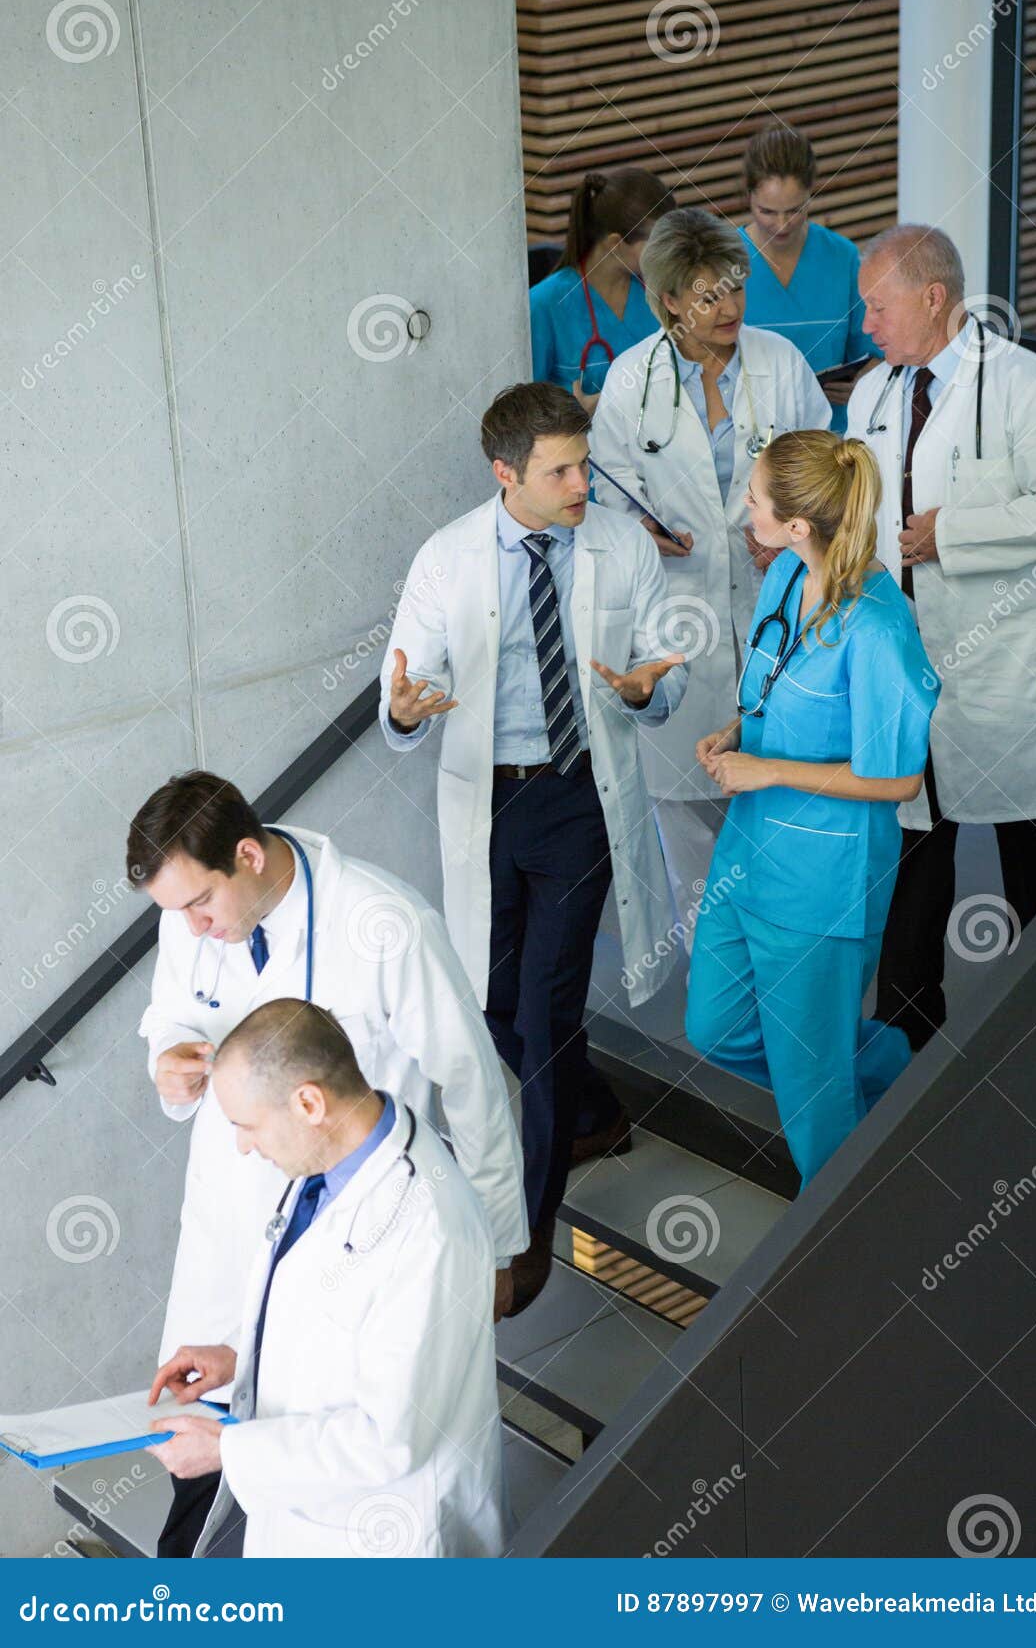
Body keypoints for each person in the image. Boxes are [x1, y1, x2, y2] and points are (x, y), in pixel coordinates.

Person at [129, 772, 527, 1555]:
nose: (193, 928)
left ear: (248, 856)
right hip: (233, 1232)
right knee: (208, 1471)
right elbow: (168, 1014)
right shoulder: (190, 917)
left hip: (355, 1225)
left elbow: (472, 1081)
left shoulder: (384, 925)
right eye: (177, 913)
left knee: (300, 1457)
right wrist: (166, 1059)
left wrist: (499, 1249)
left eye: (201, 904)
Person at [379, 382, 688, 1313]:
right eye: (560, 471)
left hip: (580, 799)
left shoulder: (621, 545)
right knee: (492, 999)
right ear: (505, 473)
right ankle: (592, 1113)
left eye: (583, 464)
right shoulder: (447, 558)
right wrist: (404, 711)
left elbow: (659, 669)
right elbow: (406, 684)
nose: (581, 483)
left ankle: (529, 1227)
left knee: (547, 1015)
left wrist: (646, 691)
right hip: (488, 802)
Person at [148, 999, 504, 1559]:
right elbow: (330, 1312)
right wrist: (242, 1355)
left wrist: (226, 1451)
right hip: (312, 1517)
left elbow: (389, 1439)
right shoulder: (332, 1164)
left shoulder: (428, 1229)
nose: (243, 1146)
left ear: (308, 1102)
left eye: (247, 1126)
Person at [685, 431, 939, 1187]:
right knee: (714, 1027)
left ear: (797, 523)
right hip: (749, 853)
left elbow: (899, 780)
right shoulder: (786, 576)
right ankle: (887, 1067)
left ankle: (843, 1232)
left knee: (813, 1099)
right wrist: (737, 732)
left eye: (754, 498)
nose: (745, 509)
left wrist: (766, 768)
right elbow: (772, 690)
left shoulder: (877, 627)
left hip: (822, 880)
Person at [848, 224, 1036, 1052]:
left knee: (1033, 874)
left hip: (1008, 675)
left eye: (877, 306)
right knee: (911, 864)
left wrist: (954, 533)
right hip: (907, 672)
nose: (865, 323)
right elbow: (858, 512)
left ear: (932, 297)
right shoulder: (871, 394)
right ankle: (904, 1035)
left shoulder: (1025, 385)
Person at [590, 208, 831, 948]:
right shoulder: (631, 380)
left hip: (775, 607)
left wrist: (795, 534)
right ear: (668, 300)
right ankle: (715, 975)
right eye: (705, 296)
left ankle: (790, 966)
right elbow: (608, 499)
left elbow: (826, 472)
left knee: (785, 813)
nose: (728, 308)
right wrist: (645, 534)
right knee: (692, 830)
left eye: (733, 288)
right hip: (679, 614)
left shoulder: (780, 363)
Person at [740, 124, 881, 431]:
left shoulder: (842, 257)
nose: (781, 225)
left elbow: (875, 351)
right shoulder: (723, 263)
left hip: (832, 438)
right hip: (749, 438)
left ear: (811, 194)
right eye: (767, 211)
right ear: (748, 197)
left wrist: (866, 380)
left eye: (794, 210)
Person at [530, 167, 675, 412]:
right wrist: (575, 415)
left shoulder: (664, 291)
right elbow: (524, 412)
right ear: (615, 244)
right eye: (658, 243)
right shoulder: (544, 305)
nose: (668, 253)